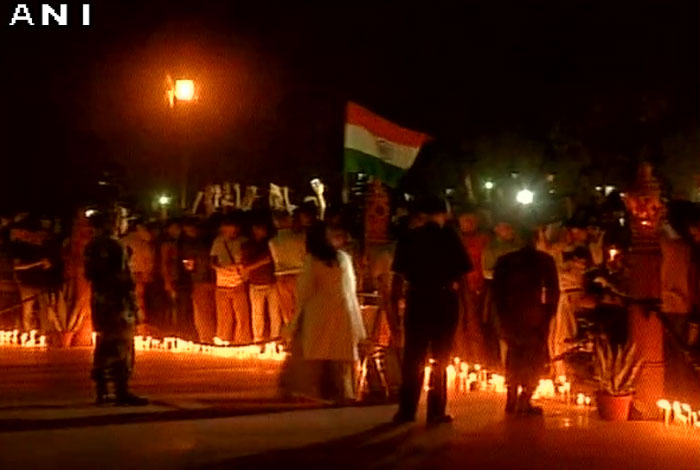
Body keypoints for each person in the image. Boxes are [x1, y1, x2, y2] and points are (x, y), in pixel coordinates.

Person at [391, 197, 472, 425]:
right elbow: (463, 277)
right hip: (444, 300)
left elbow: (398, 277)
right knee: (441, 357)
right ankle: (436, 411)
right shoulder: (450, 238)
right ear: (443, 214)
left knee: (413, 356)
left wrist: (395, 303)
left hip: (417, 299)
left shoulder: (409, 238)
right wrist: (466, 311)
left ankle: (406, 411)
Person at [282, 221, 366, 404]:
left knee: (318, 354)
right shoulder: (343, 259)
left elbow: (305, 290)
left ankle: (319, 391)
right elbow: (351, 287)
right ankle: (343, 392)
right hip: (343, 310)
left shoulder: (312, 260)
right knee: (339, 355)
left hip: (318, 311)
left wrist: (297, 317)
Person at [493, 226, 559, 415]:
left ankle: (512, 396)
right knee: (534, 356)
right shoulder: (545, 261)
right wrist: (548, 313)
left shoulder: (505, 261)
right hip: (535, 315)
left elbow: (497, 291)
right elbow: (552, 290)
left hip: (511, 314)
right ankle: (525, 398)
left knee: (514, 354)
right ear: (536, 239)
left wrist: (501, 314)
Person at [84, 211, 148, 406]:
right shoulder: (114, 245)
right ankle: (121, 389)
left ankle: (102, 389)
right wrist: (133, 304)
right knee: (121, 345)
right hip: (117, 303)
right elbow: (124, 279)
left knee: (104, 344)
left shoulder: (92, 246)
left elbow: (90, 274)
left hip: (100, 301)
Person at [455, 207, 490, 364]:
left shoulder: (483, 240)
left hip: (474, 284)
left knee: (474, 324)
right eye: (464, 221)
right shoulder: (455, 239)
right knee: (457, 325)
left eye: (470, 220)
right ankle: (462, 360)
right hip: (457, 285)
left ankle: (478, 361)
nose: (467, 224)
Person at [210, 214, 252, 344]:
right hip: (222, 283)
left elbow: (248, 260)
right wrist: (218, 268)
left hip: (238, 282)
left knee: (242, 315)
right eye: (227, 230)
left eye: (233, 230)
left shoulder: (243, 241)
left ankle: (242, 341)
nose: (230, 233)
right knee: (224, 315)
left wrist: (239, 267)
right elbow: (212, 260)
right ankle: (223, 339)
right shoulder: (218, 241)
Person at [242, 217, 281, 342]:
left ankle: (274, 339)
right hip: (256, 284)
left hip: (272, 283)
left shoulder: (271, 243)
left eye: (264, 229)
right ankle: (258, 340)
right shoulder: (247, 246)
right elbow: (246, 266)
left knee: (275, 314)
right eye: (260, 229)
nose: (263, 231)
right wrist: (263, 261)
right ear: (254, 230)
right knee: (257, 314)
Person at [12, 221, 53, 333]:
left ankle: (46, 333)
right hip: (27, 283)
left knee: (45, 309)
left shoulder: (43, 248)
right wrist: (37, 263)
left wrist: (47, 265)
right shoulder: (22, 248)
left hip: (41, 283)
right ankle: (27, 332)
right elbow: (17, 266)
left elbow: (48, 265)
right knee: (27, 309)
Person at [182, 218, 217, 343]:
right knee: (210, 310)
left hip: (200, 280)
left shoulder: (191, 245)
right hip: (214, 279)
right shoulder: (211, 240)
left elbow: (188, 264)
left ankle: (206, 338)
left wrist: (188, 271)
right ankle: (211, 336)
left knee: (202, 312)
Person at [269, 211, 306, 326]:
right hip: (300, 273)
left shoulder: (272, 241)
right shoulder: (300, 237)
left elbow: (275, 259)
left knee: (287, 309)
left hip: (282, 276)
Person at [161, 219, 195, 339]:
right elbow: (165, 263)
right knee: (174, 305)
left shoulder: (183, 243)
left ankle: (181, 329)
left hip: (183, 278)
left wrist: (189, 269)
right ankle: (175, 329)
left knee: (183, 305)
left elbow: (187, 260)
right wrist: (167, 280)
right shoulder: (168, 244)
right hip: (174, 277)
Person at [122, 219, 156, 327]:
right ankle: (141, 322)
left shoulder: (124, 241)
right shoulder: (143, 243)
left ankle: (132, 322)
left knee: (130, 299)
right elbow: (149, 259)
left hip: (129, 274)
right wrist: (148, 272)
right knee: (139, 300)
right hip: (140, 273)